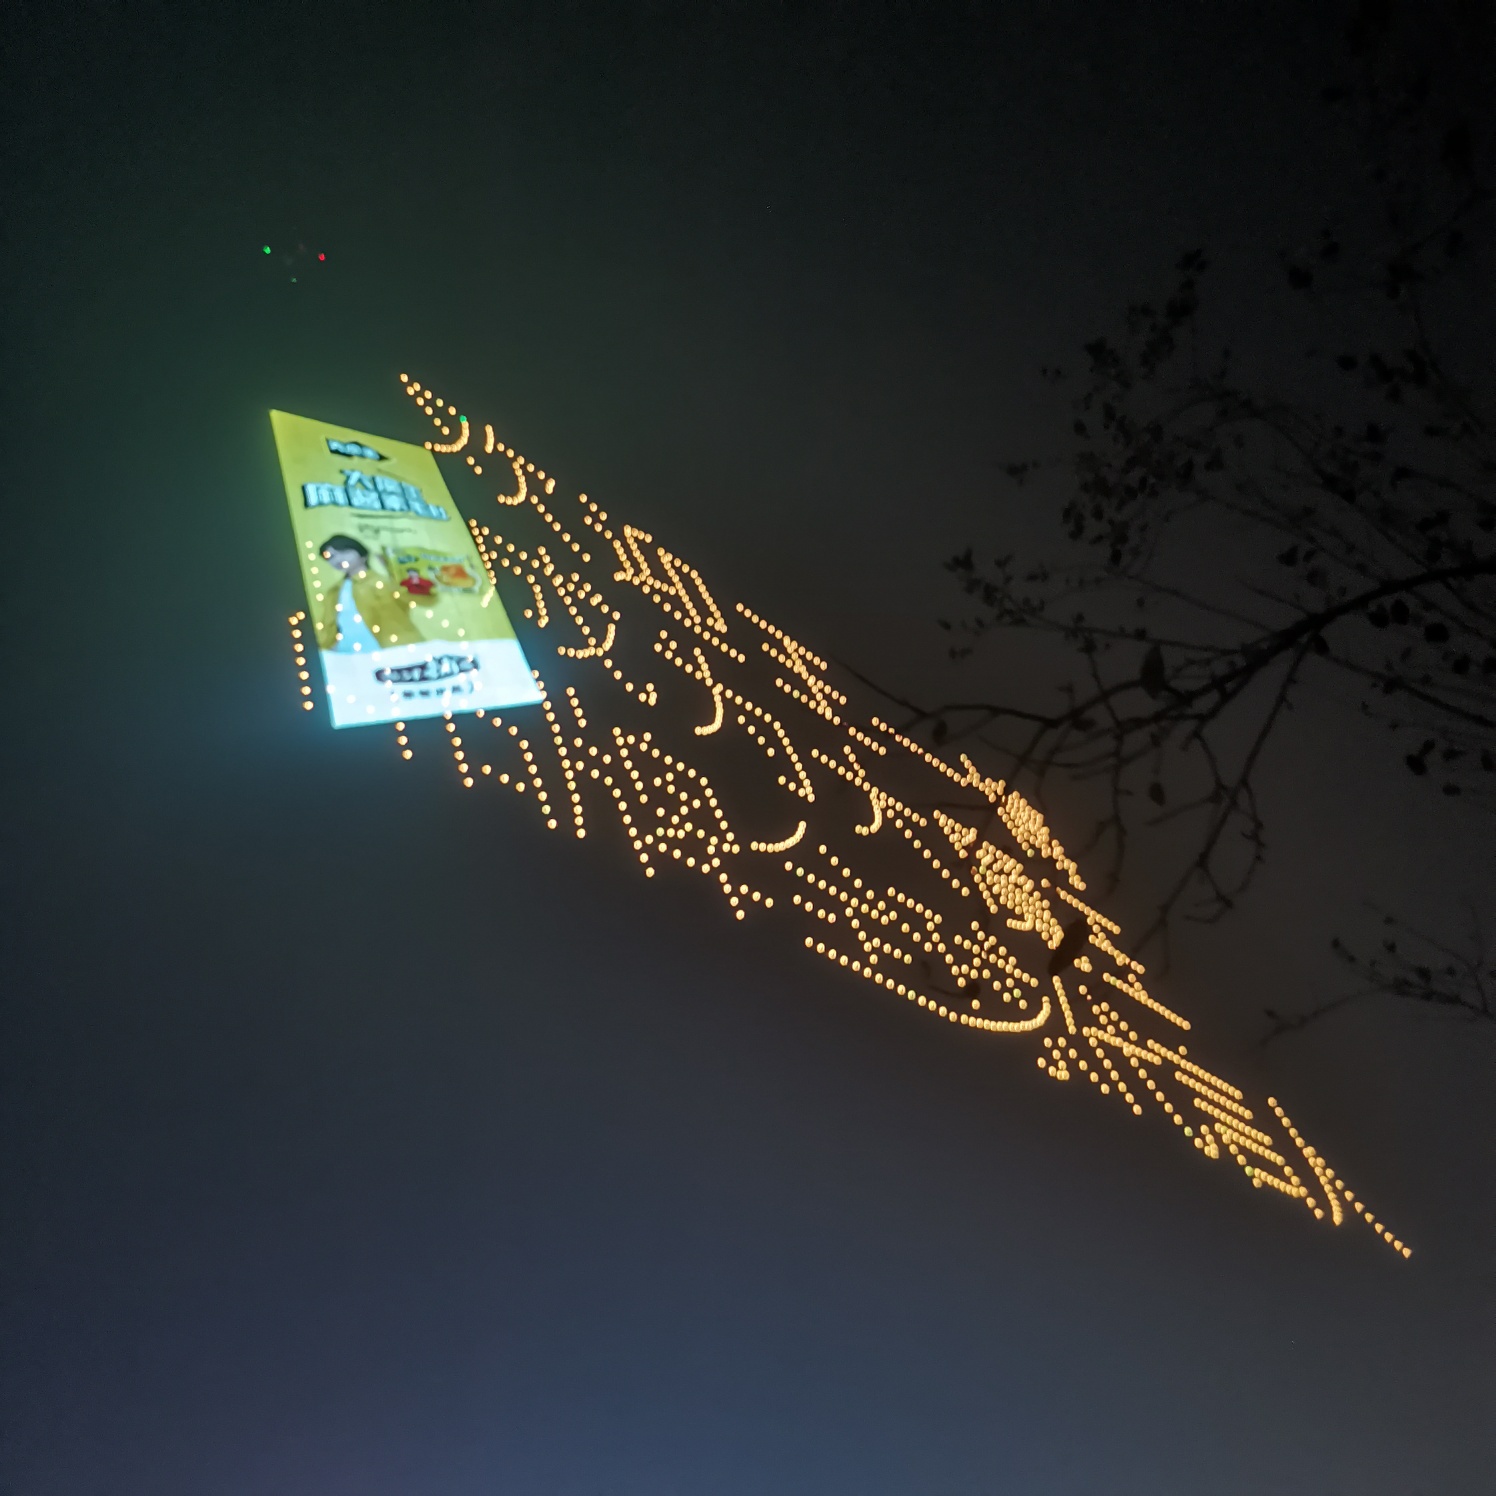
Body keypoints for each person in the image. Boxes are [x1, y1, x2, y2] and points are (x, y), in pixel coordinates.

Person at [311, 535, 424, 652]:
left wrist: (398, 574)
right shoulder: (334, 591)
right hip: (347, 653)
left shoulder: (382, 582)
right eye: (331, 557)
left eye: (344, 552)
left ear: (362, 555)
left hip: (389, 651)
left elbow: (417, 600)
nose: (338, 559)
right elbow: (329, 625)